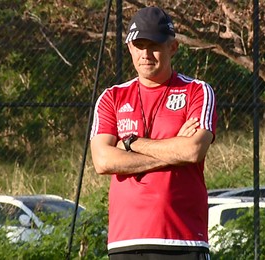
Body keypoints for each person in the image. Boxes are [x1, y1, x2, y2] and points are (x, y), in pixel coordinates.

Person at [90, 6, 217, 260]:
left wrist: (132, 143)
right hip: (126, 242)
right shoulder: (112, 97)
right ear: (129, 48)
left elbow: (192, 150)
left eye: (155, 45)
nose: (146, 54)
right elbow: (103, 161)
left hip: (183, 241)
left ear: (173, 47)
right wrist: (173, 149)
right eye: (139, 45)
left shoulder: (197, 91)